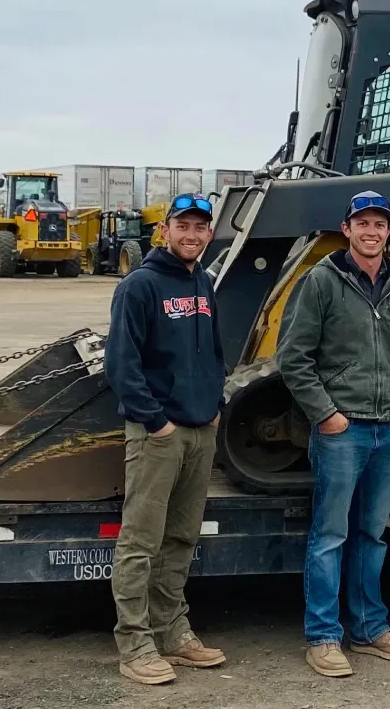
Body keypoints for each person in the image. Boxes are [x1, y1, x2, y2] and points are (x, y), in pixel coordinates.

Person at [276, 190, 390, 678]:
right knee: (329, 534)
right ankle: (323, 636)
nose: (371, 231)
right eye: (362, 223)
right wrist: (327, 415)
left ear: (389, 232)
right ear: (346, 229)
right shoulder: (321, 282)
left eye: (379, 224)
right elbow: (293, 357)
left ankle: (369, 628)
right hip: (343, 432)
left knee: (372, 533)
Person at [104, 193, 228, 686]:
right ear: (165, 230)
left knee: (180, 539)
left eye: (201, 227)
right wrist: (156, 422)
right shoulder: (140, 286)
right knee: (140, 540)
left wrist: (216, 406)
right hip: (159, 435)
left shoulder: (204, 283)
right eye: (183, 225)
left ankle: (172, 632)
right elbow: (121, 364)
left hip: (200, 431)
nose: (192, 234)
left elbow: (217, 350)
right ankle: (134, 644)